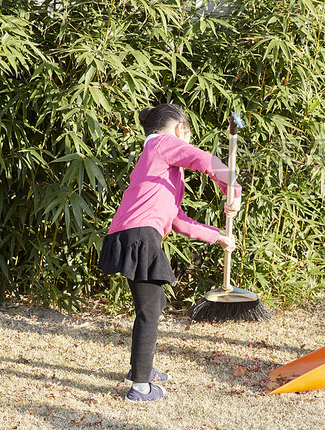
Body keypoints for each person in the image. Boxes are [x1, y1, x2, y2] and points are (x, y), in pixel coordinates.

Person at [99, 104, 241, 402]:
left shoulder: (156, 163)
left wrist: (219, 237)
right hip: (139, 235)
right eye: (187, 137)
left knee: (154, 303)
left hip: (131, 234)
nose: (186, 144)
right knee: (150, 311)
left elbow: (177, 220)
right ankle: (139, 387)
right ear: (181, 130)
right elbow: (204, 160)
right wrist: (233, 189)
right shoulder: (164, 144)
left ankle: (141, 368)